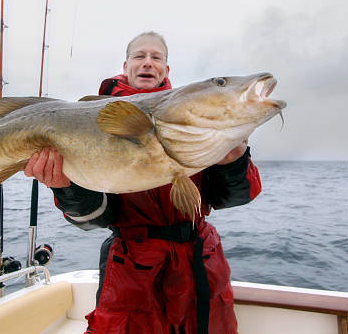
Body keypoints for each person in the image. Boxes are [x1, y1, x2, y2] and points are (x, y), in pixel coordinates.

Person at [24, 32, 261, 334]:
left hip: (200, 265)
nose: (148, 63)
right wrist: (65, 186)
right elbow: (97, 217)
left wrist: (235, 159)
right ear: (126, 67)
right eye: (140, 56)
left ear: (166, 69)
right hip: (132, 271)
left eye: (156, 57)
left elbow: (232, 197)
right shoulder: (93, 119)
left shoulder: (196, 120)